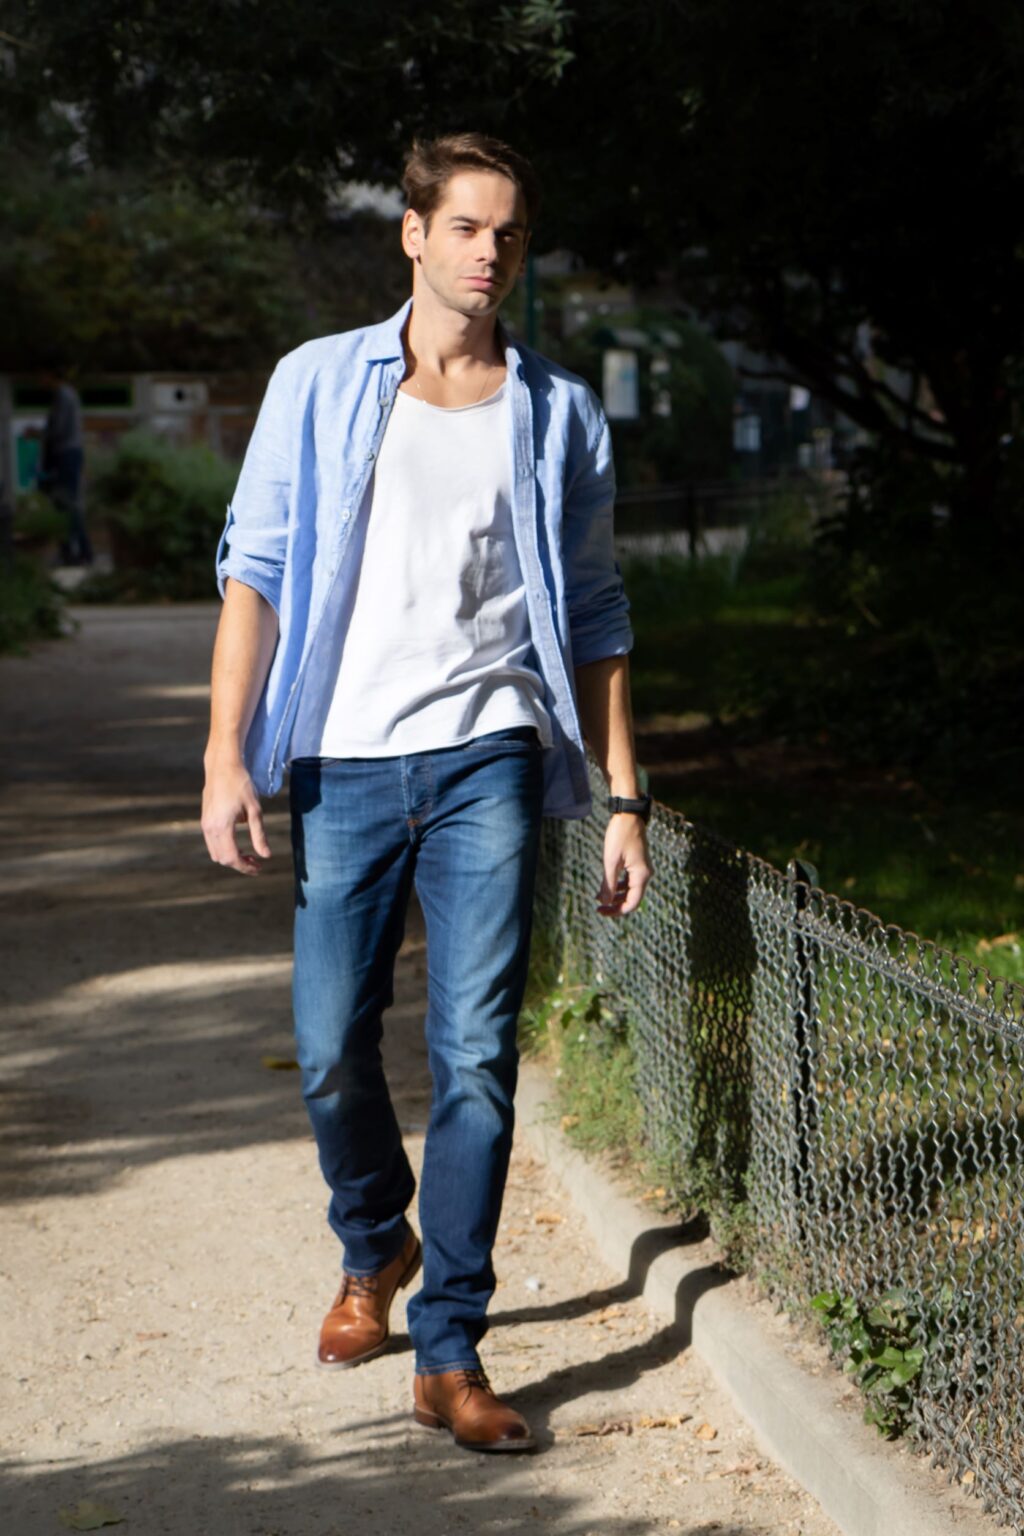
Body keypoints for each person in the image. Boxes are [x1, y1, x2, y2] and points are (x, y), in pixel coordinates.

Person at [201, 133, 653, 1454]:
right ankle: (373, 1242)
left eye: (508, 233)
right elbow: (254, 571)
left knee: (474, 1057)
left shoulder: (557, 413)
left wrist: (625, 794)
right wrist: (226, 753)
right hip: (343, 759)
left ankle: (450, 1346)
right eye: (464, 226)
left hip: (486, 756)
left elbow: (597, 614)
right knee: (330, 1044)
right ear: (412, 234)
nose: (487, 252)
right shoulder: (317, 382)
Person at [39, 368, 92, 566]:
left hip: (66, 454)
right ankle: (75, 550)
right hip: (68, 453)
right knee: (66, 503)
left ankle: (77, 551)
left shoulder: (63, 396)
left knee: (66, 503)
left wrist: (40, 434)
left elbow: (59, 429)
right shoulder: (67, 395)